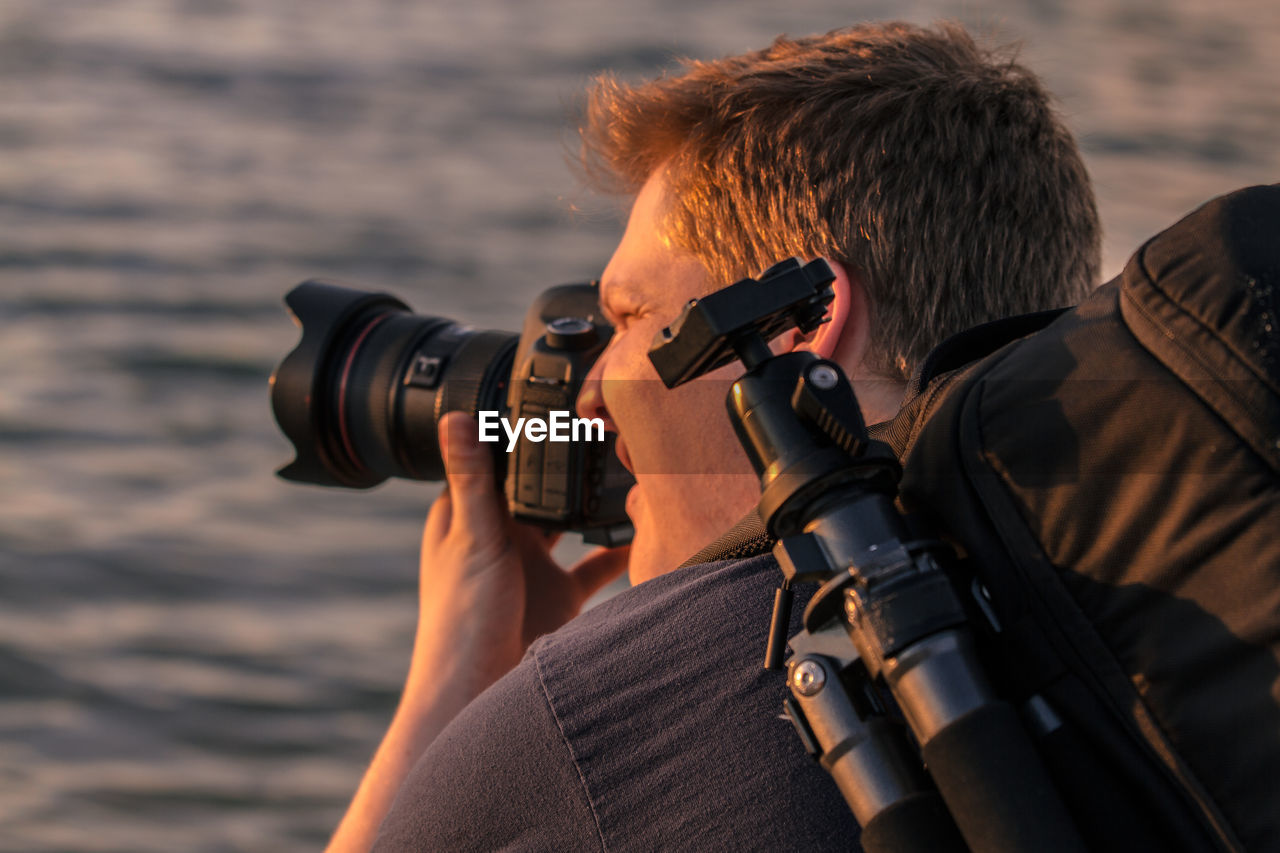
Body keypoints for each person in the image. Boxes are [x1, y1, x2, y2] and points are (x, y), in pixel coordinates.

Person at [328, 21, 1101, 851]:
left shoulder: (604, 713)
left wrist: (461, 684)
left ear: (800, 321)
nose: (592, 392)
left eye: (630, 316)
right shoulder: (1117, 595)